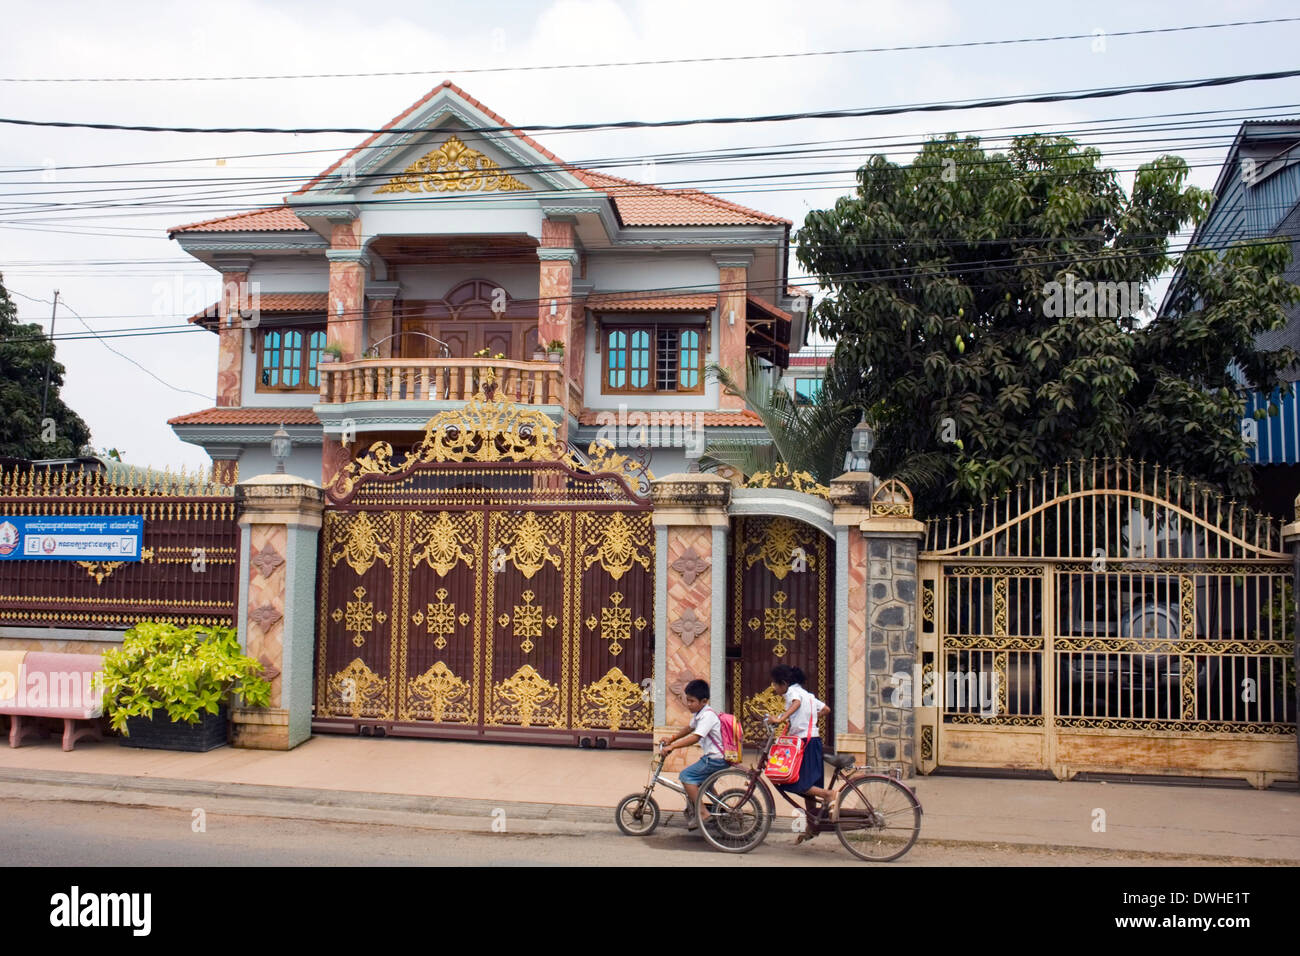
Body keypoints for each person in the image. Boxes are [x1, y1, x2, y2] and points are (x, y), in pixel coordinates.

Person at [764, 664, 832, 843]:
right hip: (814, 740)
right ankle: (813, 825)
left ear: (784, 683)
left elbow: (796, 703)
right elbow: (826, 709)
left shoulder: (793, 693)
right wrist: (809, 718)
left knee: (795, 782)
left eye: (775, 684)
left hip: (804, 742)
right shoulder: (808, 695)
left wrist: (780, 719)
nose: (774, 687)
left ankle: (828, 795)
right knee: (809, 787)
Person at [659, 679, 728, 831]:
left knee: (686, 776)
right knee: (704, 784)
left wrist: (672, 747)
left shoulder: (707, 716)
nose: (688, 704)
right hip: (714, 758)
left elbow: (695, 737)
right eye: (687, 700)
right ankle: (719, 807)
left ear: (704, 701)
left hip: (715, 759)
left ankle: (703, 813)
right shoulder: (699, 714)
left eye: (692, 701)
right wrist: (671, 738)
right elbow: (689, 729)